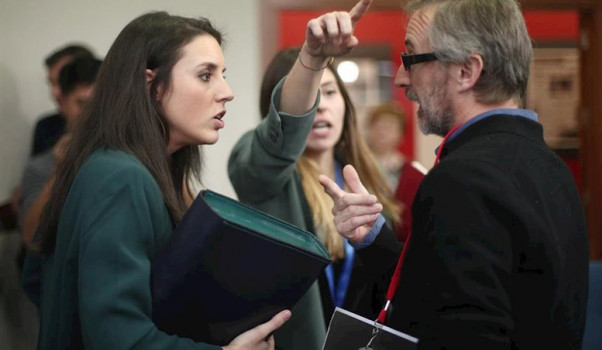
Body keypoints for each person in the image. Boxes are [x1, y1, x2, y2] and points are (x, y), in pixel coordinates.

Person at [19, 3, 374, 347]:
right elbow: (117, 335)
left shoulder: (154, 173)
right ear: (152, 85)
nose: (226, 92)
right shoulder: (119, 176)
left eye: (223, 75)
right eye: (205, 75)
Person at [318, 0, 589, 349]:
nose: (401, 77)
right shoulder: (551, 169)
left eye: (411, 58)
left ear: (467, 71)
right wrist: (374, 238)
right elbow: (438, 294)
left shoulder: (462, 181)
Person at [229, 0, 400, 340]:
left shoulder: (363, 177)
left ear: (345, 103)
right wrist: (312, 60)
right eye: (310, 96)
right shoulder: (266, 176)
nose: (320, 107)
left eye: (330, 91)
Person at [20, 56, 102, 251]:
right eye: (82, 104)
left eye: (99, 104)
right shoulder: (41, 168)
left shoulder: (131, 157)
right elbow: (33, 238)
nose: (92, 114)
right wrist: (60, 172)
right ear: (62, 103)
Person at [364, 103, 426, 241]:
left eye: (389, 127)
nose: (383, 131)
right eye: (378, 125)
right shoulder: (354, 164)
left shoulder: (412, 173)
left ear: (401, 134)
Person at [33, 44, 94, 156]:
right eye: (51, 83)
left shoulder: (117, 127)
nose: (54, 93)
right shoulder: (45, 127)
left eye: (61, 81)